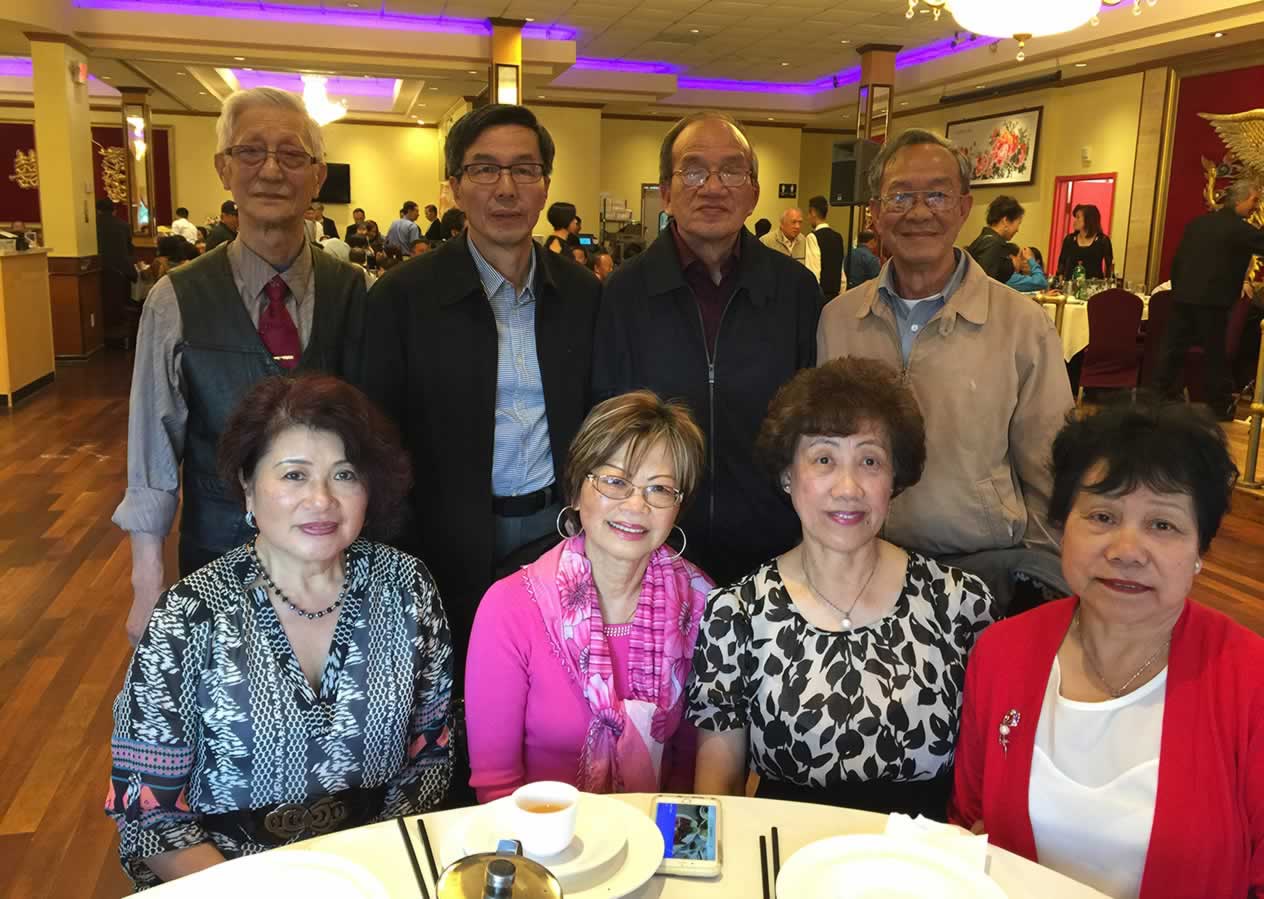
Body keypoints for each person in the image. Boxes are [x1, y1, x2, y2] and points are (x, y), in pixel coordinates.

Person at [106, 374, 452, 890]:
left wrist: (373, 878)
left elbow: (430, 757)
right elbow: (149, 809)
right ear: (248, 484)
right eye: (294, 475)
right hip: (224, 882)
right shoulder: (191, 615)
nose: (321, 500)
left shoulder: (407, 587)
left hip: (372, 873)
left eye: (344, 475)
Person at [949, 401, 1261, 899]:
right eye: (1102, 516)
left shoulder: (1250, 680)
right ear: (1061, 528)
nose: (1126, 551)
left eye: (1163, 525)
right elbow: (968, 826)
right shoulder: (1002, 652)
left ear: (1200, 551)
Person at [112, 87, 368, 644]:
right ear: (224, 168)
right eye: (251, 151)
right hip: (217, 557)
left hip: (334, 562)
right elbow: (152, 448)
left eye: (292, 154)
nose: (271, 170)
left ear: (318, 175)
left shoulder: (357, 291)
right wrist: (146, 581)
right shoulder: (175, 299)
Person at [357, 103, 601, 686]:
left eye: (525, 169)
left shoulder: (584, 295)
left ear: (545, 186)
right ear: (455, 186)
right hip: (443, 538)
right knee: (452, 685)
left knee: (551, 683)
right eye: (485, 169)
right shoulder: (403, 297)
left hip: (557, 531)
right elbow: (374, 435)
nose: (506, 187)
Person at [689, 358, 997, 818]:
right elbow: (712, 797)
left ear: (894, 479)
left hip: (924, 858)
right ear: (788, 475)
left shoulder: (959, 603)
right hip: (783, 856)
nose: (848, 488)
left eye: (870, 461)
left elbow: (990, 785)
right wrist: (688, 864)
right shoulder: (735, 613)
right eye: (824, 460)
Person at [818, 128, 1074, 612]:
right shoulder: (838, 319)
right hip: (861, 567)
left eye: (936, 195)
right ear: (875, 212)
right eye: (900, 196)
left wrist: (1038, 576)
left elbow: (1050, 469)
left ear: (963, 207)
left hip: (984, 571)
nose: (919, 212)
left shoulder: (1021, 325)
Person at [594, 110, 821, 587]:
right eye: (694, 171)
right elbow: (608, 421)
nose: (713, 187)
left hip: (775, 548)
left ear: (754, 193)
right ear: (666, 192)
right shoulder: (623, 293)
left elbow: (813, 424)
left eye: (732, 171)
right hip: (655, 547)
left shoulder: (795, 291)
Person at [466, 391, 713, 802]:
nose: (636, 504)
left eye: (659, 489)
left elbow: (691, 770)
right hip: (544, 836)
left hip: (658, 831)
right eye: (615, 481)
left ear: (677, 508)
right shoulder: (509, 607)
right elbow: (497, 787)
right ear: (578, 491)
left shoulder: (701, 603)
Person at [1157, 179, 1264, 420]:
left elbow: (1178, 260)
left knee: (1171, 352)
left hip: (1183, 297)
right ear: (1240, 200)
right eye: (1254, 201)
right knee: (1215, 357)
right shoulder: (1238, 229)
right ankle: (1219, 406)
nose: (1255, 207)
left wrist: (1179, 290)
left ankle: (1159, 399)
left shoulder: (1197, 223)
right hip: (1213, 302)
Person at [95, 198, 137, 330]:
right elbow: (129, 249)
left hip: (97, 270)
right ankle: (122, 328)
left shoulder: (92, 225)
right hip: (121, 270)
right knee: (121, 301)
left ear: (97, 210)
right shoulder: (123, 225)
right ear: (114, 210)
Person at [965, 195, 1024, 283]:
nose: (1017, 230)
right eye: (1018, 223)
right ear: (1006, 220)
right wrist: (1012, 266)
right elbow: (984, 282)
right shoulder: (993, 244)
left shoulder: (987, 239)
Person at [1056, 203, 1114, 280]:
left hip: (1094, 284)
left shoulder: (1102, 240)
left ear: (1088, 219)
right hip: (1071, 283)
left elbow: (1109, 266)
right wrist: (1060, 279)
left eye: (1078, 217)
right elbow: (1062, 262)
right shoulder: (1069, 239)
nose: (1075, 221)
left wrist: (1107, 281)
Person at [804, 194, 845, 300]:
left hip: (821, 295)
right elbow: (841, 270)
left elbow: (813, 271)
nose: (808, 218)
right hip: (836, 295)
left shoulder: (813, 237)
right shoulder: (838, 237)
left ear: (813, 212)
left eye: (809, 213)